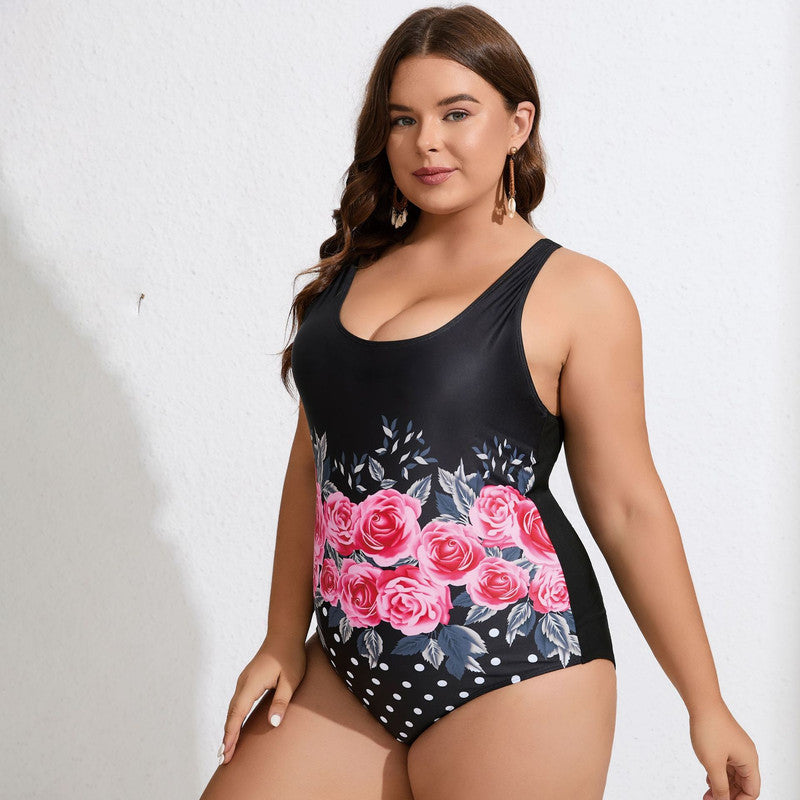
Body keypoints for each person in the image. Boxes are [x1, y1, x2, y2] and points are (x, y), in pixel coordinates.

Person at [199, 5, 761, 799]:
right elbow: (311, 467)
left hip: (521, 665)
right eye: (403, 119)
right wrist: (281, 635)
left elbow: (628, 506)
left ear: (517, 124)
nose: (426, 141)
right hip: (345, 671)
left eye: (456, 113)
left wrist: (706, 705)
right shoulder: (349, 277)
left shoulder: (578, 292)